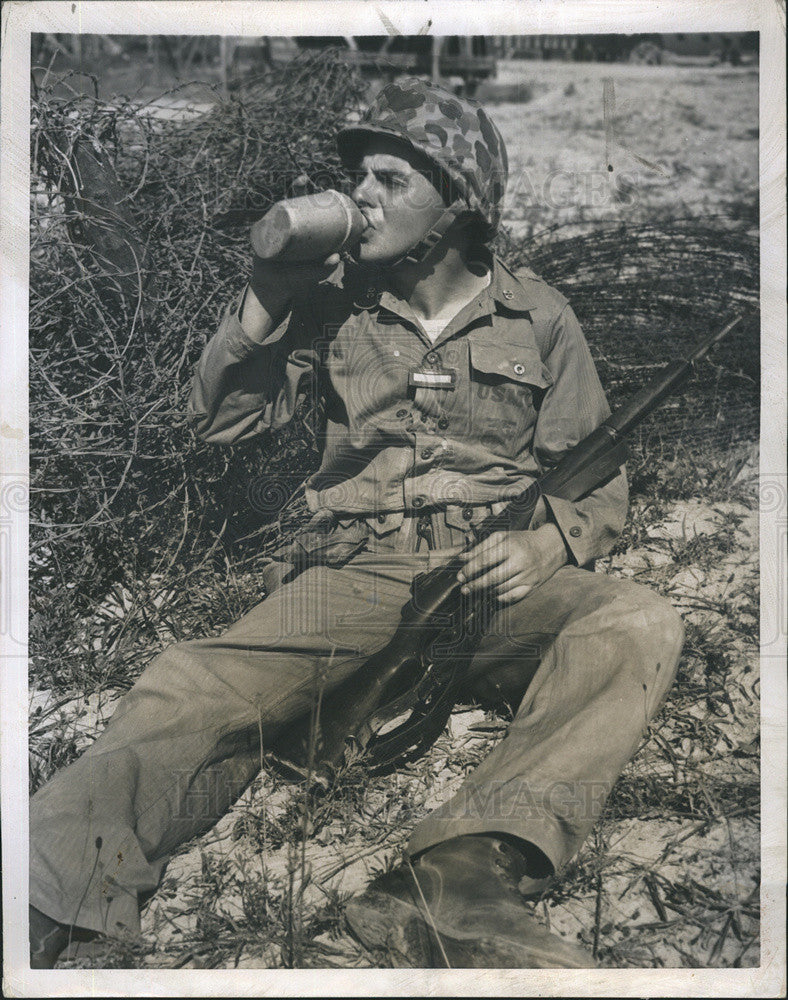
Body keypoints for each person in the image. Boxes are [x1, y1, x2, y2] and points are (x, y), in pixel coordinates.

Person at [29, 78, 685, 969]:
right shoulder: (331, 301)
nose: (362, 197)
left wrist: (546, 543)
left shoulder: (541, 317)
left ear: (458, 203)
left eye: (390, 180)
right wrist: (265, 295)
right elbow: (220, 421)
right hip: (354, 573)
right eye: (358, 177)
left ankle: (460, 876)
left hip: (493, 581)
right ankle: (55, 889)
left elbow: (599, 474)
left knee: (635, 620)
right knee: (193, 683)